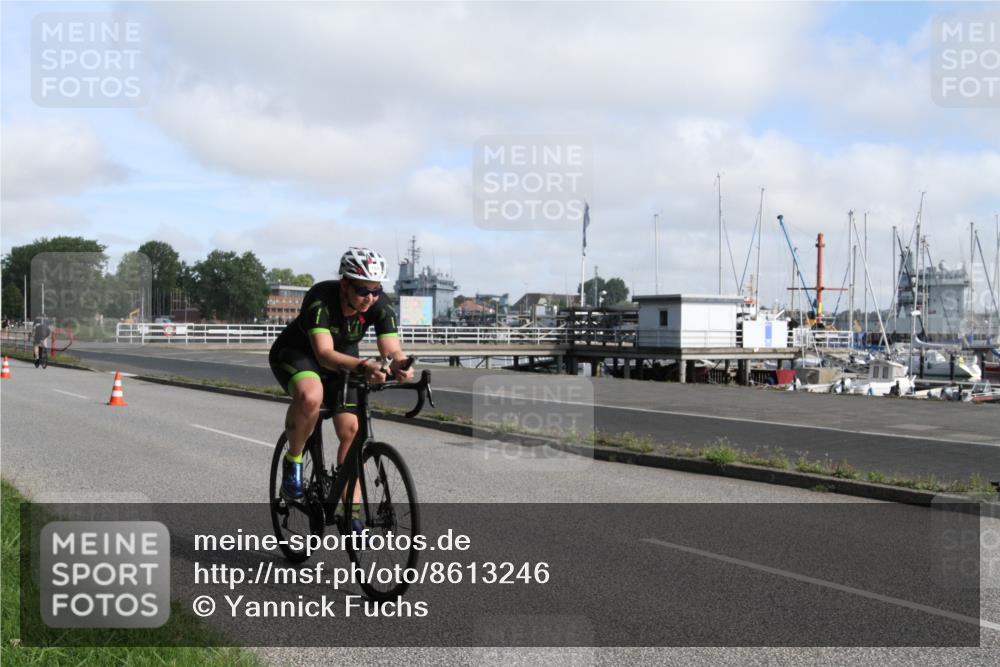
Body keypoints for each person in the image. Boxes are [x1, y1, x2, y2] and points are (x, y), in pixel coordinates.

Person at [268, 248, 413, 528]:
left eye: (376, 290)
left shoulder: (379, 303)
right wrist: (365, 366)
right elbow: (323, 354)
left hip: (345, 360)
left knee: (351, 431)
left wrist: (402, 364)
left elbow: (391, 349)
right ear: (344, 284)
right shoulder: (320, 298)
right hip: (300, 353)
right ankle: (293, 459)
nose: (370, 298)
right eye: (362, 291)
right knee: (311, 396)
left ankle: (352, 513)